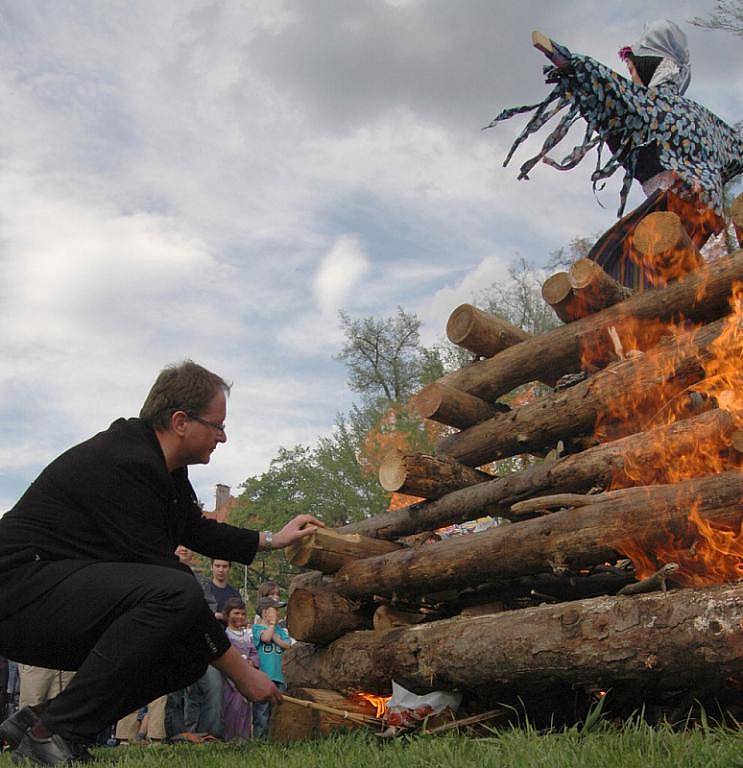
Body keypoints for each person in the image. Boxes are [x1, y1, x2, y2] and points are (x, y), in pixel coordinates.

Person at [0, 360, 323, 765]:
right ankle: (54, 736)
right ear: (181, 421)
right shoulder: (126, 463)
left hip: (54, 593)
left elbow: (197, 530)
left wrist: (274, 538)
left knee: (186, 657)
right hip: (18, 594)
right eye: (217, 425)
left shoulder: (165, 471)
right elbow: (172, 583)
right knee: (177, 592)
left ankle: (43, 723)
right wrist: (242, 674)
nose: (223, 437)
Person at [488, 20, 743, 290]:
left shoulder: (650, 104)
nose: (631, 77)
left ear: (650, 66)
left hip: (678, 201)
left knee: (609, 264)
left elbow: (609, 89)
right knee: (654, 268)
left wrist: (570, 63)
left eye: (633, 69)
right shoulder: (705, 118)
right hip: (707, 213)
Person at [165, 546, 224, 739]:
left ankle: (209, 735)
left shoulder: (201, 581)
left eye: (187, 546)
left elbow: (210, 611)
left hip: (199, 645)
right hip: (170, 644)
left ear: (194, 553)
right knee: (174, 697)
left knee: (214, 687)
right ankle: (177, 736)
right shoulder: (162, 574)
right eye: (179, 545)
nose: (183, 548)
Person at [251, 598, 291, 739]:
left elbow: (288, 645)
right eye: (275, 610)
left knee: (277, 711)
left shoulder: (280, 630)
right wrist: (272, 626)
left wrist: (277, 637)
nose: (278, 613)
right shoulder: (256, 628)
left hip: (278, 676)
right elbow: (266, 638)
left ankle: (275, 739)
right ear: (265, 612)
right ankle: (259, 739)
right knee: (262, 711)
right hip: (263, 676)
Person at [221, 598, 259, 741]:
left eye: (243, 614)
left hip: (247, 680)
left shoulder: (247, 636)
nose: (240, 617)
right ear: (227, 615)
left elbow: (255, 653)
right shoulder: (225, 636)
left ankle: (244, 739)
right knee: (232, 710)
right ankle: (231, 740)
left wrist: (251, 662)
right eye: (236, 613)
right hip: (231, 682)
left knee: (245, 711)